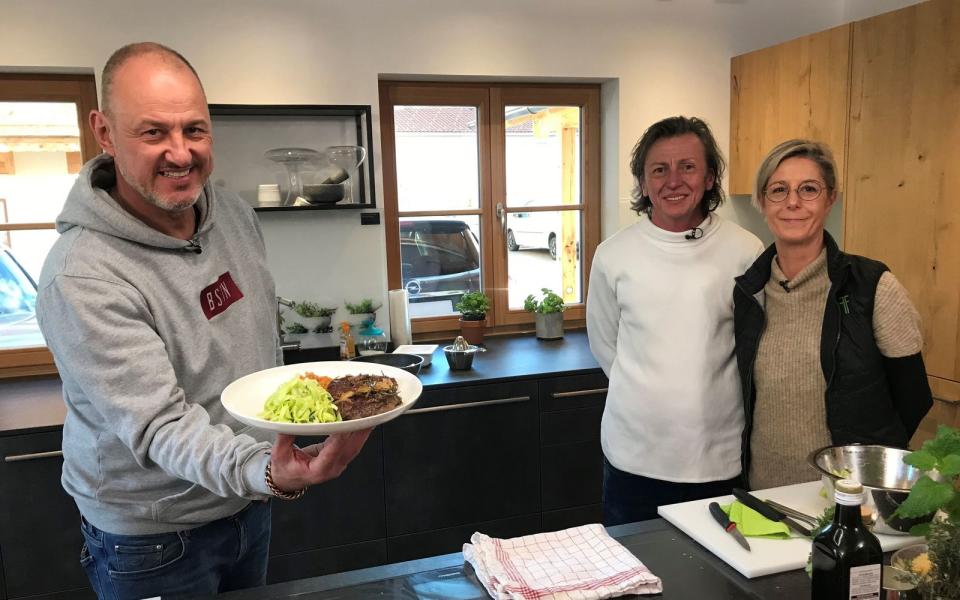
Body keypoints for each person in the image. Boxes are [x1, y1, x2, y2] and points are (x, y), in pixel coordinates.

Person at [36, 42, 371, 599]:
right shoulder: (82, 275)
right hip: (151, 538)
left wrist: (272, 460)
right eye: (153, 133)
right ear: (104, 132)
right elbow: (161, 425)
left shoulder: (231, 215)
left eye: (195, 130)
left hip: (247, 503)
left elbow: (257, 345)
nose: (181, 153)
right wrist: (266, 471)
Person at [586, 116, 764, 525]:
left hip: (717, 459)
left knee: (715, 581)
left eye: (687, 166)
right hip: (633, 458)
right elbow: (605, 345)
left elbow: (752, 351)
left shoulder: (745, 251)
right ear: (644, 183)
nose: (673, 181)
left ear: (709, 178)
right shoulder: (614, 255)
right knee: (635, 578)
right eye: (659, 170)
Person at [733, 139, 933, 490]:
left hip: (850, 499)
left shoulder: (873, 287)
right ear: (762, 202)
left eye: (808, 189)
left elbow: (913, 396)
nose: (793, 202)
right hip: (766, 494)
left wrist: (870, 469)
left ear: (831, 198)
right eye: (778, 190)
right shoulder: (749, 293)